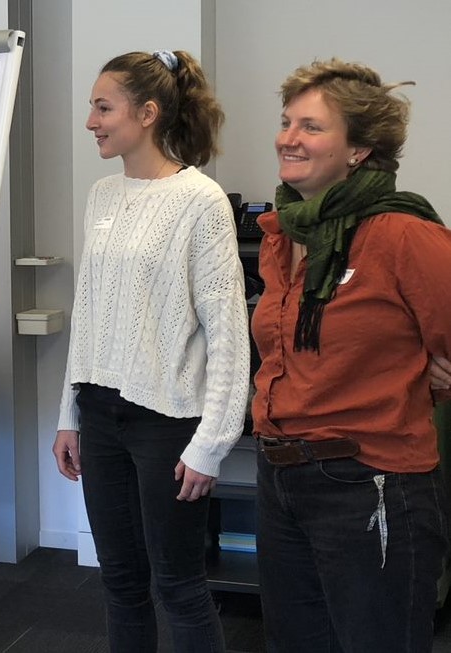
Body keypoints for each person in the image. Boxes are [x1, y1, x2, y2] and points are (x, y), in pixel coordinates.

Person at [251, 59, 451, 652]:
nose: (288, 138)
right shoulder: (283, 235)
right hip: (280, 476)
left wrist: (436, 375)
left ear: (360, 150)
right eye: (286, 122)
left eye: (311, 127)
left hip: (369, 481)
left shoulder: (402, 234)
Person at [52, 50, 249, 652]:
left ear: (147, 113)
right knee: (120, 582)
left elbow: (227, 333)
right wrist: (68, 416)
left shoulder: (201, 201)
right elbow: (89, 314)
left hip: (167, 421)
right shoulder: (102, 195)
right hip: (99, 414)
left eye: (103, 107)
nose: (91, 121)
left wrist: (212, 443)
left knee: (179, 586)